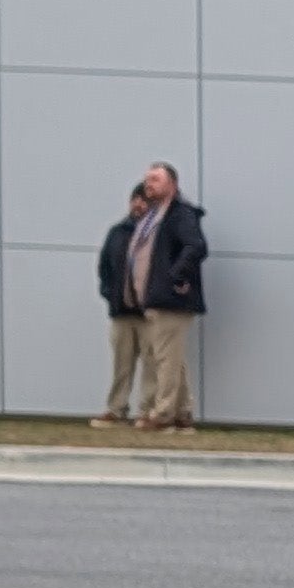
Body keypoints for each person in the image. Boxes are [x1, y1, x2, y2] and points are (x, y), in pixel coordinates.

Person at [117, 162, 210, 430]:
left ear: (172, 185)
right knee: (172, 358)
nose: (149, 184)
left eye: (156, 179)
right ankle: (182, 413)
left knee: (165, 359)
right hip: (153, 299)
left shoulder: (179, 214)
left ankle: (163, 414)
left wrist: (174, 277)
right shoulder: (153, 217)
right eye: (147, 179)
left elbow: (196, 246)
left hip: (171, 300)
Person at [92, 184, 151, 426]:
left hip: (149, 313)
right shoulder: (117, 232)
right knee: (121, 365)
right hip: (121, 311)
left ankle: (147, 412)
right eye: (135, 199)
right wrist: (109, 293)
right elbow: (104, 266)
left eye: (144, 200)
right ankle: (116, 409)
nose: (138, 204)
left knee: (152, 364)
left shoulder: (157, 234)